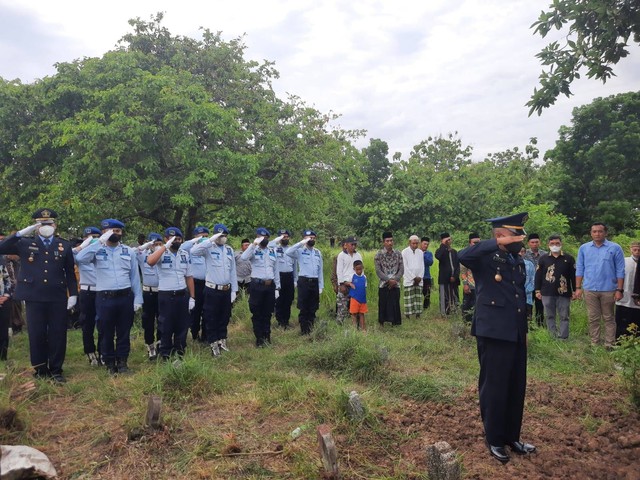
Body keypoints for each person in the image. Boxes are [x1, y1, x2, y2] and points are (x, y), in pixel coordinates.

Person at [458, 212, 535, 464]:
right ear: (502, 236)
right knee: (495, 386)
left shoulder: (517, 260)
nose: (521, 238)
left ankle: (512, 436)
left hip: (514, 332)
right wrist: (496, 242)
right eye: (517, 234)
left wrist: (523, 333)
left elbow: (518, 300)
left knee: (515, 386)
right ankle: (494, 439)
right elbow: (463, 256)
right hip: (493, 333)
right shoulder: (485, 256)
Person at [0, 208, 78, 383]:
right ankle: (40, 369)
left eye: (49, 223)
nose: (46, 226)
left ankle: (56, 370)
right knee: (36, 333)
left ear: (55, 225)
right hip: (34, 296)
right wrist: (20, 233)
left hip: (57, 296)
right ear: (36, 226)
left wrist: (73, 294)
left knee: (58, 333)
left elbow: (70, 274)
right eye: (42, 223)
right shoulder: (24, 243)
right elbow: (1, 247)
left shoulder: (64, 245)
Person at [75, 218, 143, 374]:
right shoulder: (97, 250)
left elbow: (135, 277)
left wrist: (138, 298)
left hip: (125, 297)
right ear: (104, 233)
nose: (115, 234)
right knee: (105, 331)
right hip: (105, 298)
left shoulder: (128, 251)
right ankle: (110, 364)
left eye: (118, 231)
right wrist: (98, 242)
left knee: (124, 331)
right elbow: (79, 258)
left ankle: (123, 363)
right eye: (111, 231)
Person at [145, 227, 195, 360]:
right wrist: (164, 247)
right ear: (166, 239)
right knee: (166, 325)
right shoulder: (160, 252)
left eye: (178, 239)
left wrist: (192, 297)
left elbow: (189, 276)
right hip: (166, 296)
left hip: (182, 295)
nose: (176, 241)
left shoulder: (184, 254)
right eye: (173, 239)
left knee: (182, 325)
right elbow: (150, 262)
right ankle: (165, 353)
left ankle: (179, 351)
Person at [574, 222, 625, 349]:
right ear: (591, 233)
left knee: (608, 317)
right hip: (590, 289)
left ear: (605, 233)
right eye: (594, 231)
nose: (597, 234)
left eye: (600, 231)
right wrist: (578, 288)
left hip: (609, 289)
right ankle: (595, 342)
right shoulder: (584, 248)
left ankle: (609, 343)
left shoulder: (615, 248)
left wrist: (619, 289)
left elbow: (620, 270)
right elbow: (580, 268)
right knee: (593, 317)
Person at [190, 223, 238, 356]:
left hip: (226, 289)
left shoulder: (229, 250)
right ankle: (213, 343)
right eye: (220, 235)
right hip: (212, 289)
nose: (222, 238)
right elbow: (193, 251)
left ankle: (222, 340)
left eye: (224, 235)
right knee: (211, 317)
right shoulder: (208, 248)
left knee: (224, 316)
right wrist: (210, 240)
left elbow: (232, 271)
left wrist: (234, 290)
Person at [241, 228, 280, 346]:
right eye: (261, 237)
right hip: (257, 285)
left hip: (270, 286)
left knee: (268, 313)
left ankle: (267, 336)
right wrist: (253, 244)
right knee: (257, 312)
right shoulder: (253, 250)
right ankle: (259, 338)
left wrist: (277, 287)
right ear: (257, 237)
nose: (264, 240)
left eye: (266, 238)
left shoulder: (272, 251)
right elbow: (244, 257)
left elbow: (276, 270)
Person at [535, 235, 576, 339]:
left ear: (561, 244)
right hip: (547, 292)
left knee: (564, 316)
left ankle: (563, 337)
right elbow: (538, 276)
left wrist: (575, 290)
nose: (555, 246)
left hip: (564, 291)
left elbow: (573, 276)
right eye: (552, 244)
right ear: (548, 245)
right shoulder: (543, 258)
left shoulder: (569, 258)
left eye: (557, 243)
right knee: (549, 315)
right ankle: (552, 336)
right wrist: (537, 290)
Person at [73, 227, 102, 365]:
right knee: (87, 324)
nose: (92, 240)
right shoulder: (80, 255)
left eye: (95, 237)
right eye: (89, 237)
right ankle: (90, 352)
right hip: (87, 292)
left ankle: (103, 351)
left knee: (103, 323)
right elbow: (70, 255)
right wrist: (82, 246)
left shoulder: (103, 252)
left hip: (102, 291)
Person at [287, 230, 323, 335]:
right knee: (304, 307)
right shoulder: (300, 251)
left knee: (313, 307)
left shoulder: (317, 252)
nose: (311, 239)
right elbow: (288, 252)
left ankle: (311, 329)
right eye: (308, 238)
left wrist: (321, 285)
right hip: (304, 281)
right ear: (304, 238)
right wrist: (301, 243)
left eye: (312, 237)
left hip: (314, 281)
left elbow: (320, 270)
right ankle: (304, 330)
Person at [136, 233, 163, 360]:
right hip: (149, 292)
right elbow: (133, 252)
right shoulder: (142, 255)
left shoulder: (164, 254)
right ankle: (150, 345)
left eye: (159, 244)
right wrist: (144, 246)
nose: (157, 246)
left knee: (162, 319)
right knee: (148, 321)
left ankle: (160, 343)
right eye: (154, 244)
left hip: (162, 291)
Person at [180, 226, 210, 342]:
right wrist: (195, 241)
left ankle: (206, 335)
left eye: (206, 236)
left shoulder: (209, 248)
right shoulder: (190, 248)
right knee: (195, 311)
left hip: (207, 283)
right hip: (195, 284)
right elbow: (182, 246)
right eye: (201, 236)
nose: (204, 238)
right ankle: (194, 333)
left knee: (207, 310)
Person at [374, 232, 403, 326]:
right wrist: (388, 280)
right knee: (383, 304)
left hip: (396, 283)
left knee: (395, 303)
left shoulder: (398, 253)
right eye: (387, 241)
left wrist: (395, 280)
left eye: (391, 240)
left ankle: (395, 322)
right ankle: (382, 322)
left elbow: (401, 269)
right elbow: (378, 271)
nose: (390, 243)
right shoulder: (378, 255)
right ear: (383, 242)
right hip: (384, 283)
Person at [270, 229, 297, 329]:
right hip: (279, 276)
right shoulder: (275, 248)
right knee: (279, 300)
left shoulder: (292, 249)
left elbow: (295, 266)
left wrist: (295, 279)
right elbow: (268, 244)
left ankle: (286, 321)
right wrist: (277, 240)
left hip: (289, 276)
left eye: (286, 236)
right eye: (282, 237)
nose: (285, 238)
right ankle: (280, 321)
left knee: (288, 299)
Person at [615, 241, 640, 338]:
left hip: (637, 298)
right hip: (624, 295)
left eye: (639, 250)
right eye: (635, 249)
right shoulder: (624, 261)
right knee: (622, 322)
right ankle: (620, 341)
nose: (637, 252)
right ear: (631, 249)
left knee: (636, 323)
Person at [336, 236, 362, 324]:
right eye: (352, 244)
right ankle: (339, 325)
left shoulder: (358, 255)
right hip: (345, 283)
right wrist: (341, 284)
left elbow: (361, 270)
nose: (354, 246)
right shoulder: (341, 255)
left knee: (356, 306)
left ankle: (356, 326)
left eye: (355, 245)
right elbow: (339, 271)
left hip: (355, 284)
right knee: (342, 307)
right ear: (346, 245)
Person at [524, 233, 547, 327]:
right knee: (528, 304)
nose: (534, 244)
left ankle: (540, 324)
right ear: (528, 243)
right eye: (532, 242)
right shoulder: (524, 254)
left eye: (536, 242)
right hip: (528, 284)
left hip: (541, 284)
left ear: (539, 242)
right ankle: (528, 325)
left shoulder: (545, 254)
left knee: (540, 305)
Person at [435, 233, 460, 315]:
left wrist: (455, 276)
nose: (449, 242)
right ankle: (444, 313)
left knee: (454, 295)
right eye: (447, 240)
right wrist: (443, 245)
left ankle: (455, 312)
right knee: (444, 296)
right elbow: (438, 256)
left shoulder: (454, 252)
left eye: (449, 240)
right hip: (444, 279)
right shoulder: (440, 251)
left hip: (454, 279)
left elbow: (457, 266)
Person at [401, 235, 424, 319]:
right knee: (409, 298)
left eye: (416, 243)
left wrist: (419, 277)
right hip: (409, 278)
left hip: (419, 278)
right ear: (409, 242)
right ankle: (408, 315)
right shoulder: (404, 252)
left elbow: (422, 266)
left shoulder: (420, 252)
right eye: (413, 243)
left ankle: (418, 314)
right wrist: (413, 278)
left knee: (418, 297)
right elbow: (404, 267)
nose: (415, 245)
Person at [460, 233, 480, 323]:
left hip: (480, 285)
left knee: (478, 306)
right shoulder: (466, 254)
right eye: (474, 242)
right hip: (469, 284)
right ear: (469, 243)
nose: (476, 244)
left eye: (478, 242)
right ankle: (466, 323)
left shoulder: (483, 253)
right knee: (467, 306)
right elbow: (463, 272)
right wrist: (465, 284)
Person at [0, 249, 13, 361]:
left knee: (3, 331)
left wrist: (7, 295)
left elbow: (8, 281)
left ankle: (2, 357)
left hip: (3, 301)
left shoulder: (2, 263)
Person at [349, 259, 367, 330]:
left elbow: (365, 287)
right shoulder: (352, 276)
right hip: (354, 299)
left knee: (362, 314)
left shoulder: (364, 277)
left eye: (360, 269)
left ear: (362, 268)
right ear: (354, 269)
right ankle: (354, 329)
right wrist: (350, 284)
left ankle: (363, 329)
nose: (359, 271)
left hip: (362, 299)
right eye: (357, 269)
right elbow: (346, 282)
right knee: (354, 314)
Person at [520, 247, 536, 319]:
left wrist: (525, 290)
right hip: (513, 296)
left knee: (528, 318)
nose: (520, 253)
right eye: (518, 251)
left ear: (525, 252)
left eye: (522, 251)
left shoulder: (529, 264)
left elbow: (533, 280)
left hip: (527, 296)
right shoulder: (509, 264)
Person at [420, 237, 433, 310]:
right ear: (420, 243)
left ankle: (426, 308)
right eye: (424, 244)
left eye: (427, 244)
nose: (426, 246)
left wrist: (423, 255)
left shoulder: (429, 253)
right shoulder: (416, 252)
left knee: (427, 294)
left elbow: (430, 262)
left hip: (427, 277)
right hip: (418, 277)